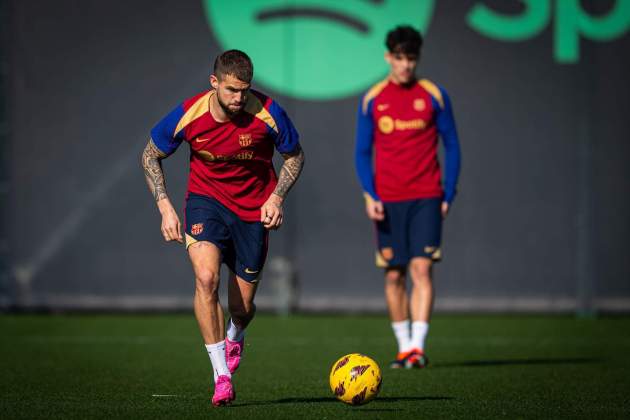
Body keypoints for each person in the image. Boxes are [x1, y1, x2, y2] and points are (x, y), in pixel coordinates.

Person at [141, 49, 304, 405]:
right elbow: (150, 153)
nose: (238, 98)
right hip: (206, 202)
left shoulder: (268, 113)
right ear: (214, 83)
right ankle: (221, 376)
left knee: (242, 307)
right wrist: (164, 205)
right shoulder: (190, 114)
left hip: (252, 211)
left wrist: (276, 198)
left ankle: (235, 333)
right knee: (205, 279)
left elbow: (294, 156)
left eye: (244, 90)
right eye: (231, 90)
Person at [354, 26, 461, 369]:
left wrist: (448, 191)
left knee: (421, 270)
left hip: (427, 195)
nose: (405, 65)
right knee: (393, 275)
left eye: (411, 59)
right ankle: (403, 347)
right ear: (388, 57)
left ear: (418, 59)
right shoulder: (373, 98)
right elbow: (361, 152)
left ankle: (417, 347)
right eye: (399, 58)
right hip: (387, 200)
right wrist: (370, 194)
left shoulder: (434, 95)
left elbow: (453, 145)